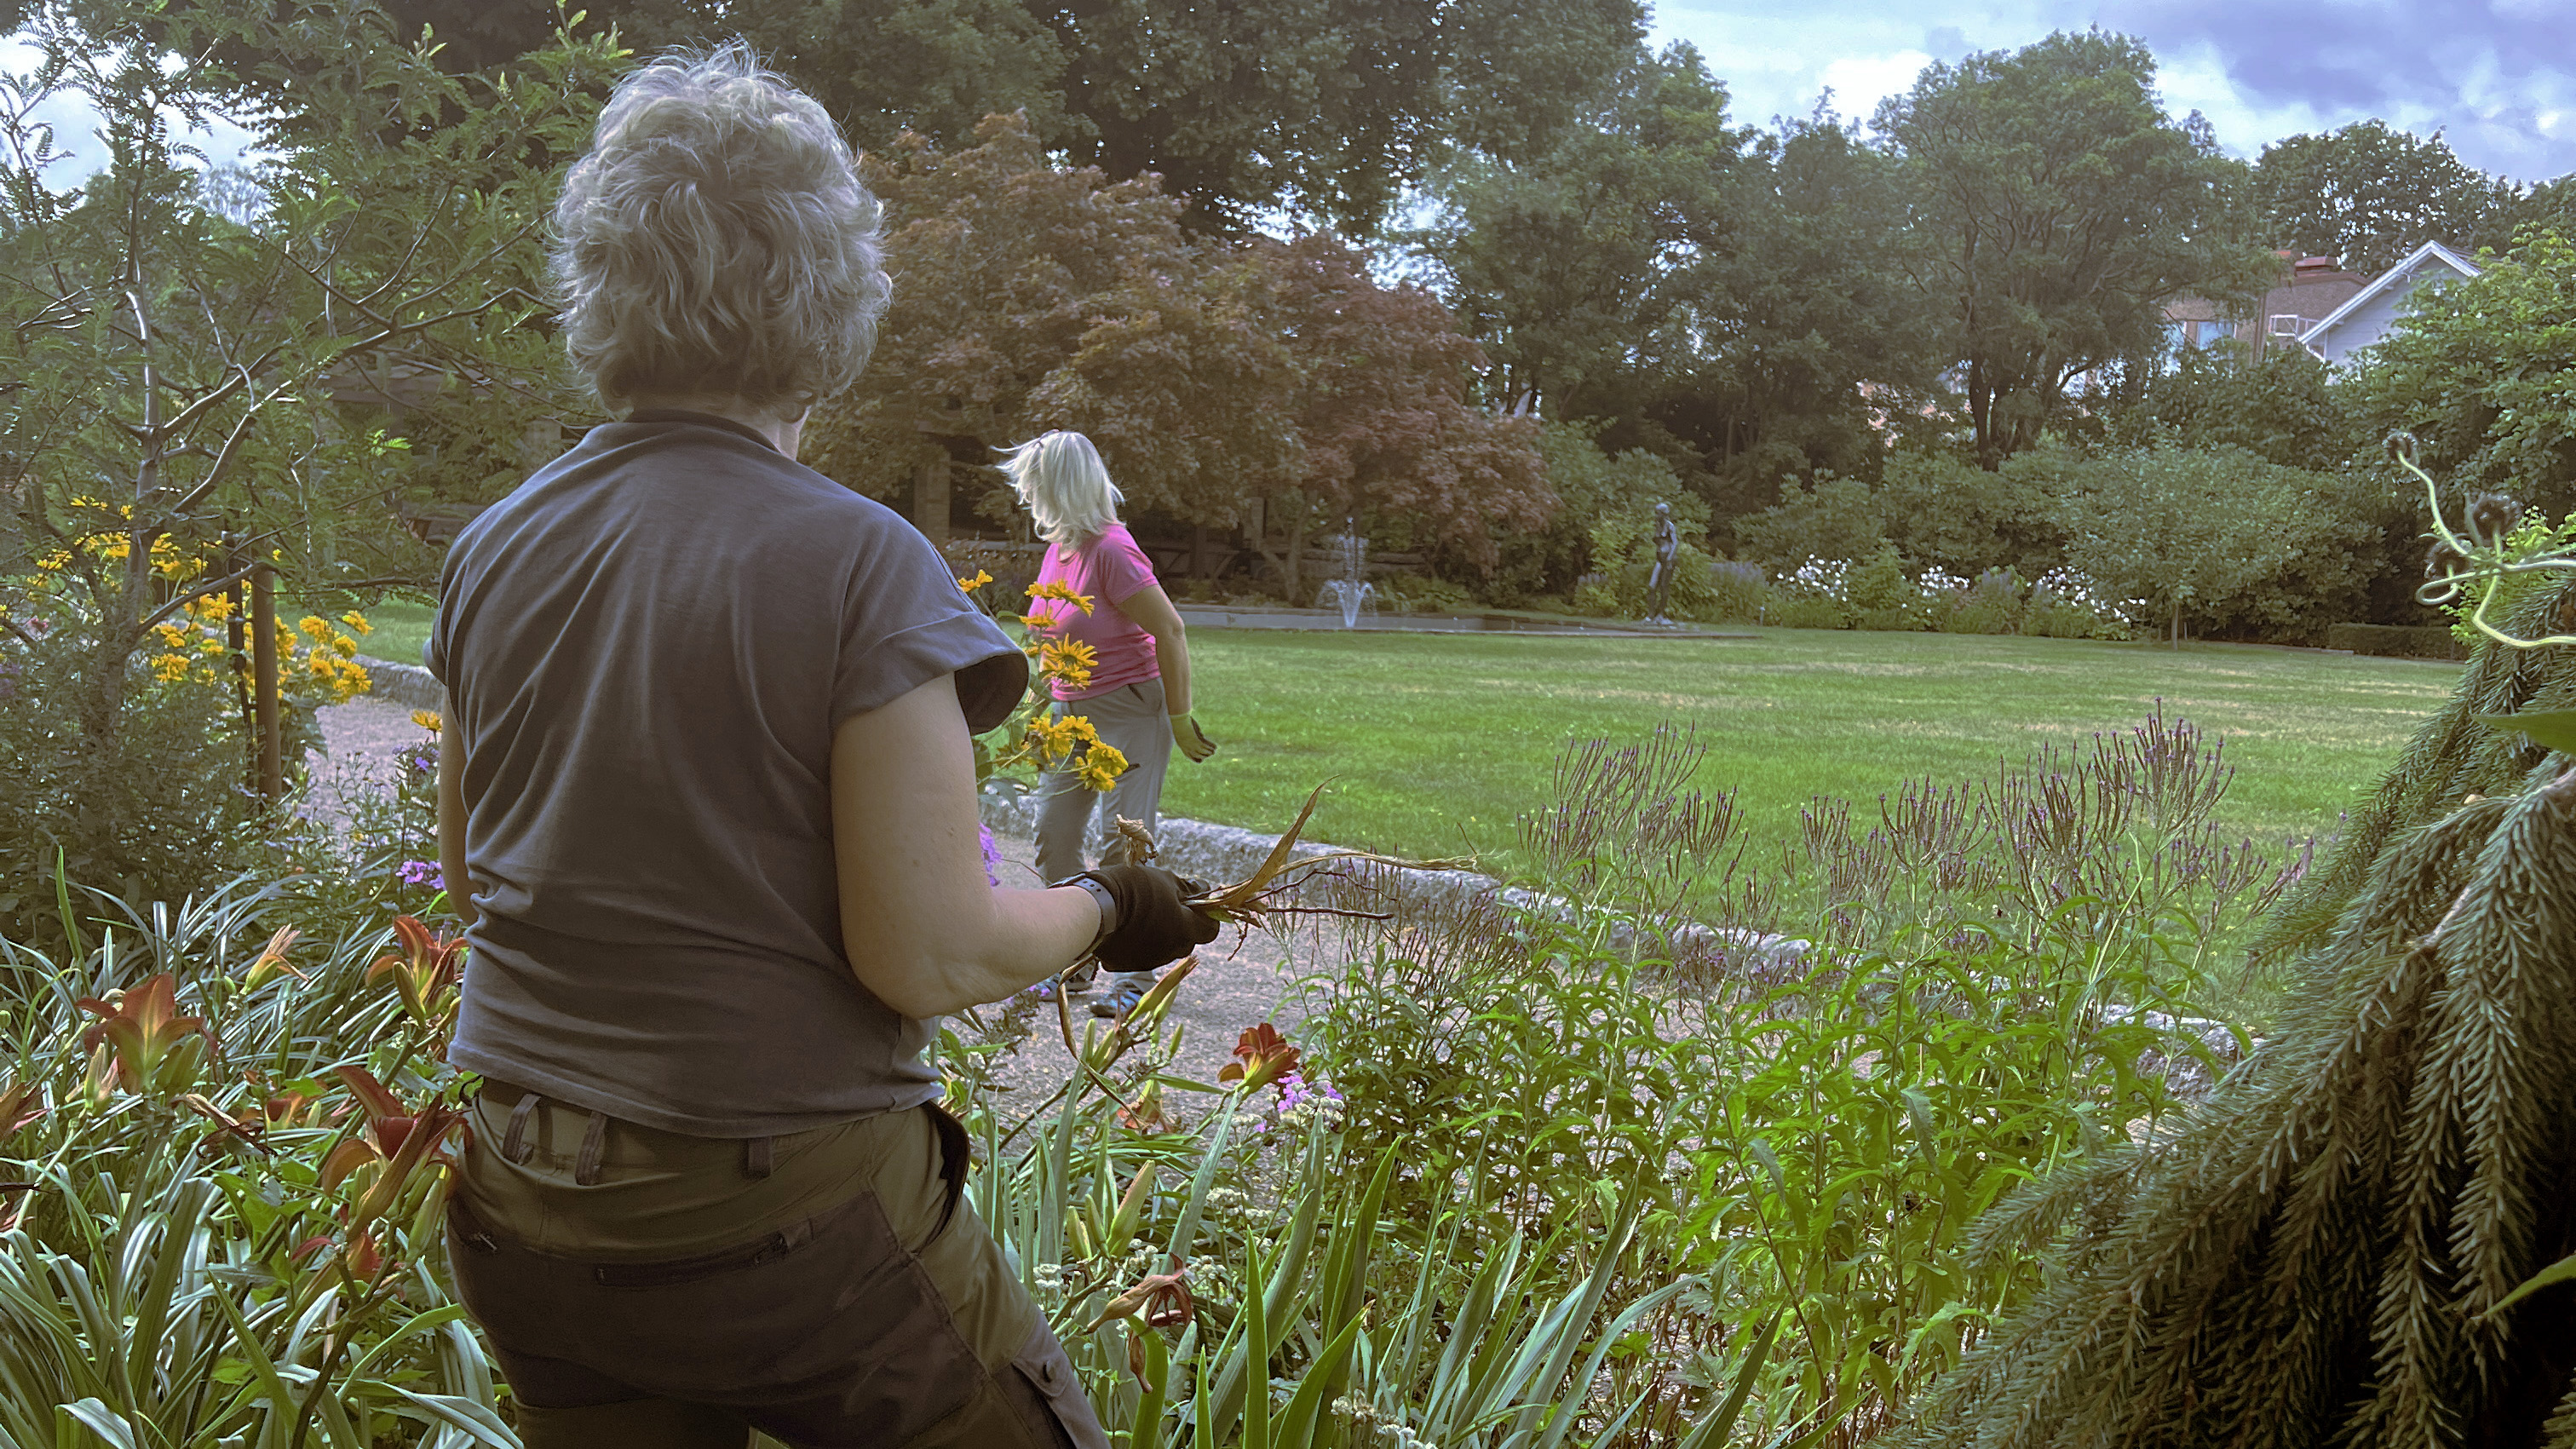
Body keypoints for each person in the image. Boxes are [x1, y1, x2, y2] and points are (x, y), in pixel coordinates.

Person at [428, 46, 1216, 1449]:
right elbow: (931, 951)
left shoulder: (495, 548)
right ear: (830, 297)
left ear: (600, 281)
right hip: (789, 1232)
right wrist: (1107, 907)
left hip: (525, 1204)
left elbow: (480, 880)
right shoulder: (859, 563)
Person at [1005, 430, 1217, 1020]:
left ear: (1061, 486)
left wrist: (1177, 716)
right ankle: (1072, 958)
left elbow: (1170, 629)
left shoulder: (1112, 550)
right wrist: (1042, 712)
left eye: (1035, 484)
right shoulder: (1062, 549)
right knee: (1054, 829)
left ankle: (1137, 973)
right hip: (1073, 714)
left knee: (1123, 840)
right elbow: (1051, 637)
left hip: (1130, 709)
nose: (1027, 494)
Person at [1644, 501, 1680, 625]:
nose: (1656, 515)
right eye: (1656, 513)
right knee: (1651, 586)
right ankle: (1651, 615)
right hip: (1660, 559)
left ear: (1664, 514)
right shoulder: (1657, 526)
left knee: (1664, 586)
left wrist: (1670, 558)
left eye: (1658, 513)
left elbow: (1675, 543)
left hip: (1669, 560)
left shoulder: (1670, 526)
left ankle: (1661, 615)